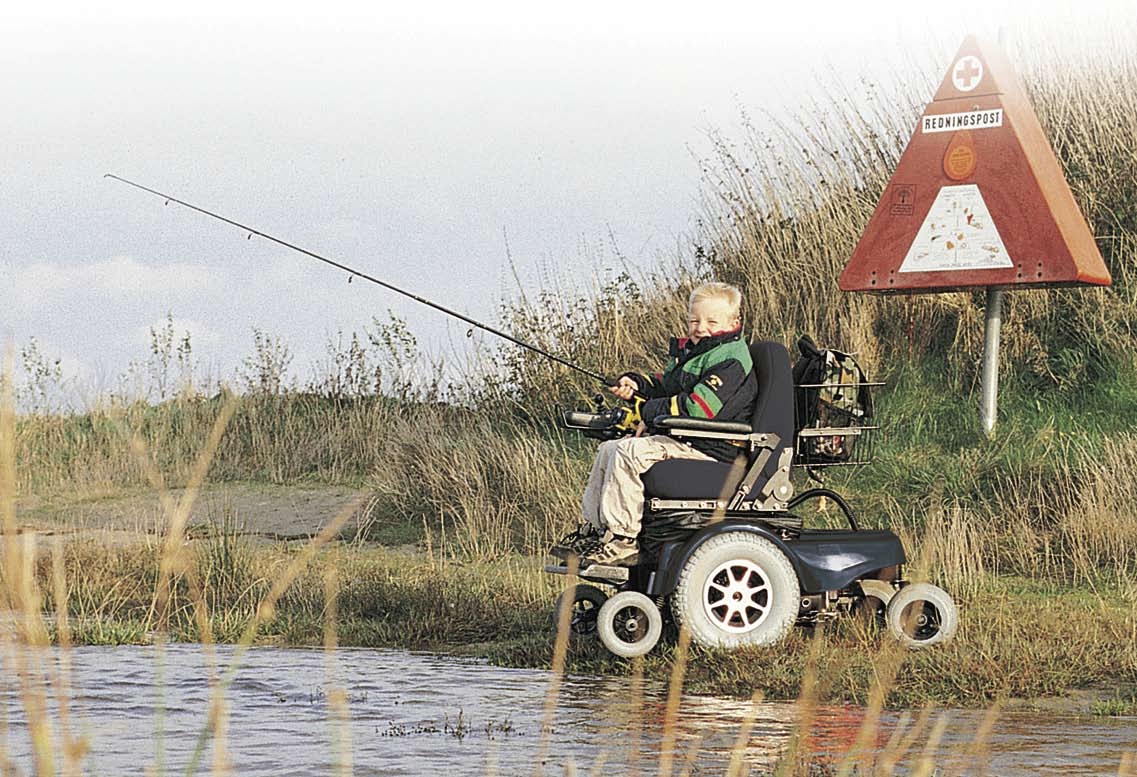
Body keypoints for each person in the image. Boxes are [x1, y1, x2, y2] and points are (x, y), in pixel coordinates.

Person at [555, 282, 757, 567]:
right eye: (694, 320)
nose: (700, 327)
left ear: (733, 323)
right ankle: (595, 532)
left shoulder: (731, 360)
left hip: (714, 448)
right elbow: (667, 387)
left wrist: (648, 414)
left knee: (629, 453)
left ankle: (623, 540)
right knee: (610, 448)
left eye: (711, 321)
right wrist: (635, 384)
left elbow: (698, 408)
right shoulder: (698, 353)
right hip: (687, 441)